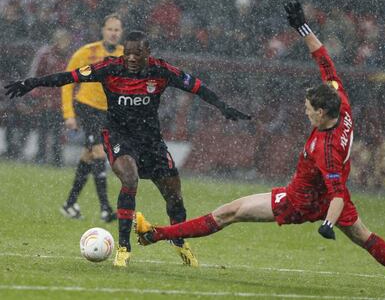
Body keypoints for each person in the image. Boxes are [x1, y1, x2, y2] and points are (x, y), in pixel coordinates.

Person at [132, 1, 385, 288]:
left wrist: (327, 224)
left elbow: (338, 193)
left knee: (230, 212)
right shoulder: (340, 102)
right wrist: (302, 27)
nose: (304, 110)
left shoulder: (325, 148)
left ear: (321, 113)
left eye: (308, 108)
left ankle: (155, 233)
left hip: (300, 201)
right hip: (328, 199)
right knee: (366, 239)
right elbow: (324, 59)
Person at [3, 31, 251, 268]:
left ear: (148, 53)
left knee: (174, 195)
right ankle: (123, 247)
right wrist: (32, 82)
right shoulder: (109, 68)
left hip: (151, 141)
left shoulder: (161, 70)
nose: (131, 58)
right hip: (118, 135)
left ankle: (178, 241)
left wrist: (223, 106)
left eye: (137, 54)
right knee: (130, 178)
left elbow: (197, 86)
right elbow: (70, 77)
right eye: (128, 53)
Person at [60, 14, 123, 222]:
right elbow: (68, 82)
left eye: (117, 30)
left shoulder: (124, 55)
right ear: (103, 30)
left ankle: (70, 203)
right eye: (110, 29)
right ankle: (105, 209)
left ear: (120, 33)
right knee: (98, 152)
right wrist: (69, 114)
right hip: (86, 107)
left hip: (108, 112)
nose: (113, 33)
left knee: (89, 156)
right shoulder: (88, 52)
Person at [29, 29, 71, 167]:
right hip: (45, 100)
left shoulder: (70, 57)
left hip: (60, 101)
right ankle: (41, 156)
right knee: (43, 129)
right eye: (60, 40)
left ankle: (57, 157)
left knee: (58, 131)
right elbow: (36, 76)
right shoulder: (45, 54)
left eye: (65, 41)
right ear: (55, 40)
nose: (62, 43)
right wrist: (39, 94)